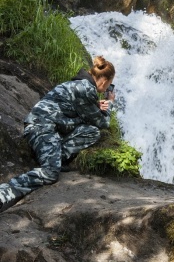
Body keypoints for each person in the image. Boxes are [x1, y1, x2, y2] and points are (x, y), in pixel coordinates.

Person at [0, 56, 115, 213]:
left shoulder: (80, 84)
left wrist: (95, 105)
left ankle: (55, 158)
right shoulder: (86, 89)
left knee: (92, 132)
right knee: (50, 173)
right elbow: (103, 123)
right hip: (42, 128)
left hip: (47, 127)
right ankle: (3, 194)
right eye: (109, 84)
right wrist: (110, 104)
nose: (108, 87)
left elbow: (82, 114)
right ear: (103, 80)